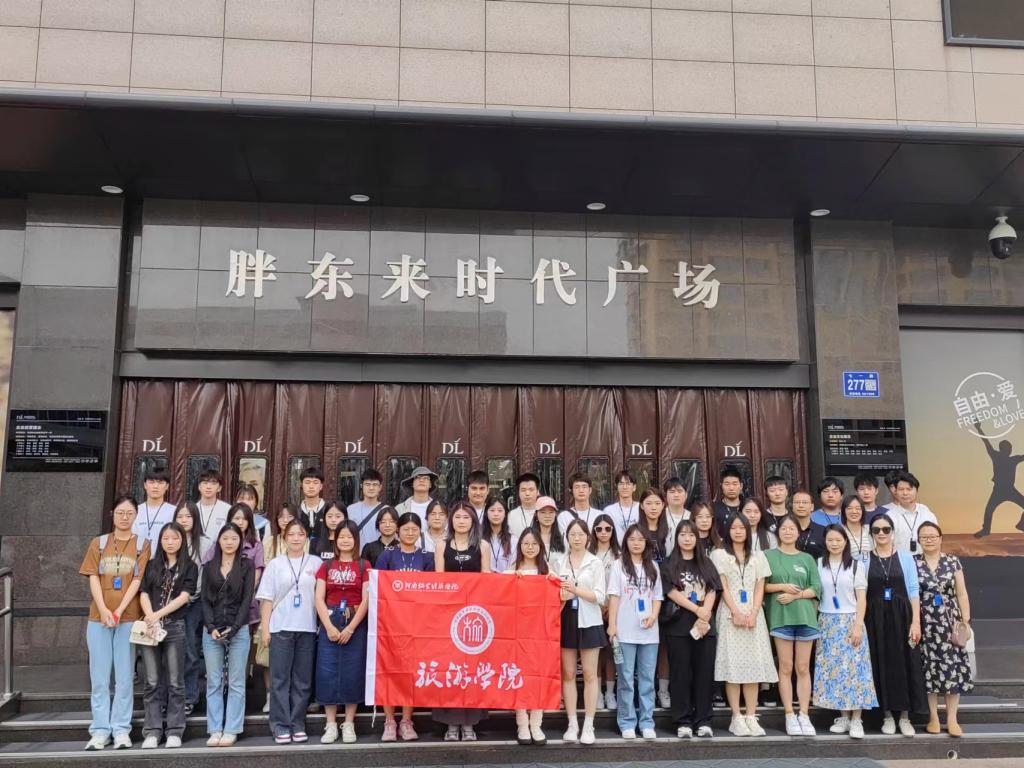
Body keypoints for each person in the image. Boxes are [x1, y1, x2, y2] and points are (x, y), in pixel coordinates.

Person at [81, 496, 150, 751]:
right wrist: (103, 610)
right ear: (113, 514)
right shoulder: (98, 543)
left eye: (129, 513)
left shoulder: (142, 545)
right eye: (120, 512)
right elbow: (93, 577)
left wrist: (119, 611)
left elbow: (137, 581)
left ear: (135, 516)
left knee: (124, 678)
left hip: (128, 618)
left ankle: (121, 729)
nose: (124, 517)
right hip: (98, 619)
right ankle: (100, 730)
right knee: (99, 678)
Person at [711, 513, 777, 738]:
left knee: (753, 666)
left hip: (753, 614)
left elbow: (760, 586)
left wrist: (754, 612)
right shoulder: (719, 554)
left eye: (742, 528)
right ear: (727, 531)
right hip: (730, 613)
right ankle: (736, 717)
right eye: (734, 528)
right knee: (733, 666)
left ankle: (751, 715)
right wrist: (736, 611)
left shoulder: (758, 555)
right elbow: (723, 587)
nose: (738, 531)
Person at [258, 520, 322, 745]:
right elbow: (266, 599)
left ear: (306, 538)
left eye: (300, 534)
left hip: (307, 628)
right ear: (284, 538)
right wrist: (265, 629)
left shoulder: (316, 562)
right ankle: (280, 725)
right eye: (291, 534)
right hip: (280, 628)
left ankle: (298, 723)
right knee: (280, 679)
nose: (296, 538)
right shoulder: (275, 564)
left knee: (302, 681)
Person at [434, 501, 492, 740]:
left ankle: (470, 723)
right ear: (451, 520)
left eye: (466, 517)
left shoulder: (483, 545)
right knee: (450, 669)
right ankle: (451, 723)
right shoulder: (441, 545)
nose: (461, 521)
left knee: (472, 668)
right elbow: (438, 580)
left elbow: (486, 579)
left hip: (474, 615)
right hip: (448, 614)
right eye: (457, 517)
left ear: (473, 521)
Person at [865, 513, 927, 736]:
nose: (881, 533)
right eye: (876, 530)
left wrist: (916, 622)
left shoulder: (905, 558)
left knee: (904, 664)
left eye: (886, 529)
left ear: (892, 532)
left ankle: (905, 717)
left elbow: (913, 590)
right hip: (875, 620)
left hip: (902, 618)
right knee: (880, 664)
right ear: (871, 534)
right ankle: (887, 716)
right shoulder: (863, 560)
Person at [138, 522, 199, 749]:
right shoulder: (152, 564)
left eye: (175, 538)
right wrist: (150, 617)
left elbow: (184, 597)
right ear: (160, 541)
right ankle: (152, 731)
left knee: (175, 681)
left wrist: (158, 615)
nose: (170, 542)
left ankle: (175, 730)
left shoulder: (190, 567)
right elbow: (144, 592)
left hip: (174, 626)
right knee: (152, 681)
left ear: (182, 540)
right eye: (166, 538)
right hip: (150, 628)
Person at [814, 524, 876, 740]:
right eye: (830, 540)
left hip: (851, 620)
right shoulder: (818, 564)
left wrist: (858, 625)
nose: (834, 544)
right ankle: (843, 717)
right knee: (834, 671)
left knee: (855, 670)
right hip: (827, 622)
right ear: (825, 542)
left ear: (846, 542)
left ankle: (857, 719)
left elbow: (862, 599)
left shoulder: (856, 566)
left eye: (838, 540)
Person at [375, 512, 433, 741]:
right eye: (405, 529)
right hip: (390, 623)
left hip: (416, 625)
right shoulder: (387, 555)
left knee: (410, 672)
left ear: (420, 532)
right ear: (398, 531)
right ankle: (389, 721)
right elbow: (377, 586)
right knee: (388, 670)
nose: (410, 533)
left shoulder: (426, 557)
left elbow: (432, 590)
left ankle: (407, 721)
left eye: (414, 529)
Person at [661, 519, 720, 739]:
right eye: (683, 534)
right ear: (676, 537)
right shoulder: (669, 564)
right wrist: (697, 609)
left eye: (691, 535)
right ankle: (683, 720)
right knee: (681, 674)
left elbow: (713, 588)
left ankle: (703, 720)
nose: (687, 539)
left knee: (704, 674)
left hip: (704, 628)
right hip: (678, 627)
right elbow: (671, 592)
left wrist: (705, 614)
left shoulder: (705, 562)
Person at [764, 515, 822, 737]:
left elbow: (816, 588)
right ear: (778, 532)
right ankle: (789, 713)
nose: (788, 532)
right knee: (786, 667)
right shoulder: (768, 556)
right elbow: (762, 586)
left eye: (792, 529)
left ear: (798, 533)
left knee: (803, 667)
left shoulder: (807, 558)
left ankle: (804, 714)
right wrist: (783, 587)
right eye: (784, 528)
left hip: (806, 617)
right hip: (781, 617)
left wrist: (796, 596)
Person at [313, 521, 370, 745]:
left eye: (349, 537)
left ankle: (348, 722)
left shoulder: (364, 565)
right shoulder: (326, 565)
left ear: (356, 540)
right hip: (330, 619)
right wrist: (328, 626)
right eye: (341, 537)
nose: (345, 540)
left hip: (355, 620)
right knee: (326, 671)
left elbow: (366, 599)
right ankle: (330, 724)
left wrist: (351, 627)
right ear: (335, 540)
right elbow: (319, 597)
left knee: (352, 672)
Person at [915, 521, 973, 737]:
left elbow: (962, 593)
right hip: (925, 624)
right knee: (928, 670)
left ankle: (952, 719)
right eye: (924, 536)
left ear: (940, 539)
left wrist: (965, 621)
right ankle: (933, 718)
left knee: (952, 670)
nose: (929, 540)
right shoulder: (913, 563)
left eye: (933, 536)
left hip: (949, 624)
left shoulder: (952, 561)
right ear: (919, 540)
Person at [201, 522, 256, 747]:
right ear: (219, 541)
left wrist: (234, 628)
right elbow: (204, 599)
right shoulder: (209, 567)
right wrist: (211, 626)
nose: (230, 542)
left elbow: (247, 599)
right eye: (225, 538)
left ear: (240, 541)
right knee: (214, 681)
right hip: (212, 631)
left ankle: (232, 729)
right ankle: (215, 729)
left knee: (236, 681)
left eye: (234, 538)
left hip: (238, 629)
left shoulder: (247, 565)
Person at [607, 524, 663, 740]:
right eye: (632, 539)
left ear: (646, 542)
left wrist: (653, 616)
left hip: (649, 632)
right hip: (625, 631)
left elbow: (657, 596)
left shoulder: (653, 566)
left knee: (648, 679)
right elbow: (614, 596)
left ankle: (647, 722)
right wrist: (612, 625)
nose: (636, 543)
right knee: (626, 679)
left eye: (640, 539)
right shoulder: (618, 565)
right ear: (626, 542)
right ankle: (627, 721)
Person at [556, 519, 606, 745]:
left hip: (590, 621)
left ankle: (589, 724)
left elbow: (600, 596)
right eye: (572, 534)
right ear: (567, 537)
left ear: (588, 537)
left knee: (589, 674)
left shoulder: (595, 562)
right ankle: (572, 723)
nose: (577, 538)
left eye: (581, 534)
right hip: (566, 618)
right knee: (568, 674)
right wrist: (562, 596)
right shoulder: (559, 561)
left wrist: (575, 590)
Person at [506, 529, 550, 746]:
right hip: (516, 634)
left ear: (540, 546)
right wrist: (511, 581)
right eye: (526, 543)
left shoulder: (548, 573)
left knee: (539, 676)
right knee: (519, 676)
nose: (530, 547)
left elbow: (558, 606)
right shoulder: (510, 572)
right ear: (519, 546)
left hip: (541, 634)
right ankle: (522, 722)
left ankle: (536, 723)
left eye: (534, 543)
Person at [637, 488, 670, 706]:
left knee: (664, 643)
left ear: (663, 505)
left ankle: (663, 689)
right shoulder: (636, 531)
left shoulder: (670, 530)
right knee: (640, 641)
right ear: (642, 506)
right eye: (649, 503)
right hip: (639, 593)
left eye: (657, 503)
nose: (653, 507)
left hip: (666, 591)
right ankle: (641, 689)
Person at [174, 503, 206, 716]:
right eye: (180, 516)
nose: (184, 520)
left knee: (191, 649)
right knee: (170, 651)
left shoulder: (205, 543)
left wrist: (191, 596)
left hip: (195, 602)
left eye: (188, 516)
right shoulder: (170, 538)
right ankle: (170, 696)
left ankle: (190, 696)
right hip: (169, 604)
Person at [589, 512, 621, 710]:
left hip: (614, 610)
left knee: (611, 653)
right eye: (599, 529)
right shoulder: (588, 553)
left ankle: (610, 693)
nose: (603, 532)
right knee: (595, 654)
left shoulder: (619, 555)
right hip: (592, 608)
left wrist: (611, 607)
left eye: (607, 528)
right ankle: (598, 693)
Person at [974, 424, 1024, 537]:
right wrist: (979, 429)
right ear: (1003, 449)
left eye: (1010, 449)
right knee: (989, 509)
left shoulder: (1011, 459)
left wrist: (979, 428)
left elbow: (986, 442)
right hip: (1000, 490)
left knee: (989, 509)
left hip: (1008, 490)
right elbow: (986, 442)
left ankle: (1022, 524)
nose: (1010, 451)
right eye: (1008, 449)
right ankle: (986, 530)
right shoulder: (998, 457)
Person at [222, 503, 265, 627]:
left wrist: (240, 594)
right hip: (221, 604)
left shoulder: (256, 546)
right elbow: (210, 568)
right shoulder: (219, 543)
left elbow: (256, 576)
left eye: (244, 519)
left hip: (247, 604)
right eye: (236, 518)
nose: (240, 522)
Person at [888, 472, 938, 554]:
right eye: (901, 489)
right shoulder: (890, 516)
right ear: (896, 492)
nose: (905, 493)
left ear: (916, 491)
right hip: (901, 560)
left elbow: (936, 538)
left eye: (909, 489)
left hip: (925, 559)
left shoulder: (927, 513)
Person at [136, 469, 176, 554]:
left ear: (167, 486)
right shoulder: (135, 510)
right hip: (137, 558)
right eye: (151, 482)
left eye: (160, 483)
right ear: (145, 485)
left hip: (163, 558)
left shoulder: (174, 511)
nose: (155, 486)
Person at [196, 470, 231, 559]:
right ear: (199, 487)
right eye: (205, 483)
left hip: (219, 556)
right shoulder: (192, 509)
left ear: (219, 488)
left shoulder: (227, 509)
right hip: (195, 555)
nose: (208, 487)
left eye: (213, 483)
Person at [346, 469, 387, 543]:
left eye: (375, 484)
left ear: (380, 487)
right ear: (361, 486)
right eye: (367, 484)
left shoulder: (386, 510)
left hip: (380, 550)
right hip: (357, 550)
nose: (371, 488)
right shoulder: (351, 509)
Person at [483, 494, 516, 575]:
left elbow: (515, 564)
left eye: (500, 510)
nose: (496, 514)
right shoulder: (479, 538)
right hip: (485, 579)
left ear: (505, 514)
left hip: (506, 580)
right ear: (486, 513)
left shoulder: (513, 540)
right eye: (492, 510)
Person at [531, 496, 566, 571]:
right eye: (543, 512)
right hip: (536, 576)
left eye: (551, 512)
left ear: (555, 514)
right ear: (536, 514)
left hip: (557, 577)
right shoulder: (530, 537)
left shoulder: (563, 537)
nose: (547, 516)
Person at [605, 470, 640, 542]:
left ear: (634, 487)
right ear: (617, 487)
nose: (624, 487)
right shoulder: (609, 511)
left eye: (628, 484)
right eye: (621, 484)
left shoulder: (641, 508)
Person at [791, 489, 826, 561]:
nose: (801, 505)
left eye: (805, 502)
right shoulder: (785, 530)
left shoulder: (823, 531)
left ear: (812, 507)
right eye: (797, 502)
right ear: (792, 506)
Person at [712, 466, 744, 538]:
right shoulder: (713, 508)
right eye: (727, 484)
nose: (731, 488)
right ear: (721, 486)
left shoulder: (746, 507)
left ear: (741, 486)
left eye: (735, 484)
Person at [841, 495, 873, 566]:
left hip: (871, 570)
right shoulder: (839, 532)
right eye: (849, 508)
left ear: (862, 511)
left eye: (858, 508)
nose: (854, 511)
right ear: (843, 511)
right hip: (848, 569)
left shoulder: (870, 530)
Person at [508, 472, 541, 537]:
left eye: (531, 490)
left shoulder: (544, 513)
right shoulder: (511, 515)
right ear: (518, 492)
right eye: (523, 490)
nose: (527, 493)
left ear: (537, 492)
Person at [296, 466, 327, 533]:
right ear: (301, 485)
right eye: (307, 482)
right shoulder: (296, 512)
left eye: (315, 483)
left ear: (321, 486)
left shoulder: (328, 510)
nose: (311, 486)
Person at [662, 477, 691, 542]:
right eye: (672, 492)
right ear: (665, 495)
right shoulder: (660, 515)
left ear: (686, 495)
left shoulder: (691, 517)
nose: (676, 495)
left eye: (680, 491)